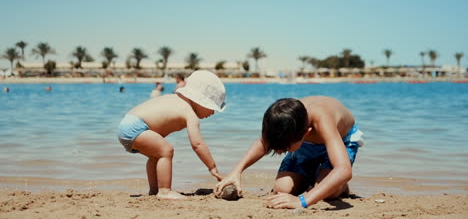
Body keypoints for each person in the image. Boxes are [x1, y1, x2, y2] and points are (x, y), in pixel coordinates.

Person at [215, 96, 364, 209]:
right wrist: (236, 172)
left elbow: (344, 170)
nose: (280, 151)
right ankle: (316, 177)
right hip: (305, 144)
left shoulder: (322, 120)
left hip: (341, 139)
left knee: (329, 194)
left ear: (306, 133)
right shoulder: (287, 120)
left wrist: (302, 201)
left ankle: (338, 186)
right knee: (282, 189)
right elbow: (263, 143)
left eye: (285, 148)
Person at [117, 70, 226, 200]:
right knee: (166, 151)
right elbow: (197, 144)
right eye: (212, 107)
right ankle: (164, 191)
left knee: (156, 156)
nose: (213, 112)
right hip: (137, 127)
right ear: (201, 101)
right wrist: (213, 168)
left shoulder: (175, 98)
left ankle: (154, 190)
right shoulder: (189, 113)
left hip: (128, 124)